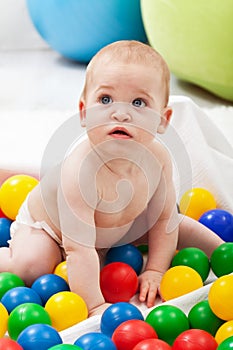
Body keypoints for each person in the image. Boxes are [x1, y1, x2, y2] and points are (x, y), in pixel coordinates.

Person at [0, 40, 224, 317]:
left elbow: (164, 220)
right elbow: (77, 249)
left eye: (139, 103)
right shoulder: (80, 172)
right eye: (105, 100)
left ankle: (226, 254)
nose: (121, 112)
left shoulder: (159, 158)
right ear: (84, 112)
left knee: (180, 225)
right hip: (52, 229)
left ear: (163, 120)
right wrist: (94, 305)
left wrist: (156, 269)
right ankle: (6, 259)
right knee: (33, 265)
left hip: (118, 225)